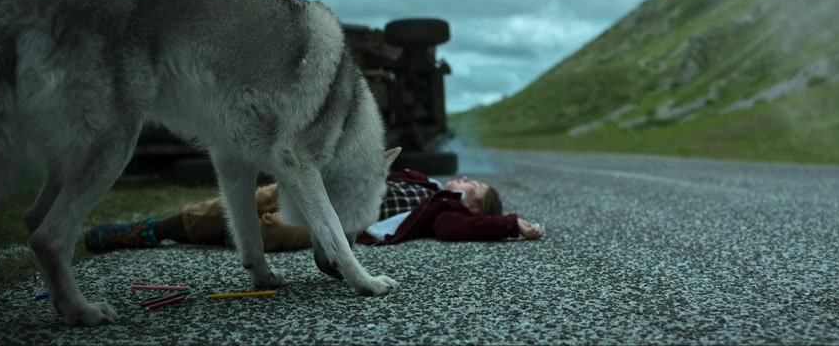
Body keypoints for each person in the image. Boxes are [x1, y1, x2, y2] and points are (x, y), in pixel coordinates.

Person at [84, 168, 545, 253]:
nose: (466, 179)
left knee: (274, 231)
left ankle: (218, 235)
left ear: (473, 204)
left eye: (474, 186)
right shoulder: (423, 181)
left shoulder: (443, 210)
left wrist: (508, 224)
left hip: (338, 221)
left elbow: (453, 231)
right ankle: (149, 230)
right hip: (321, 188)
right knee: (244, 201)